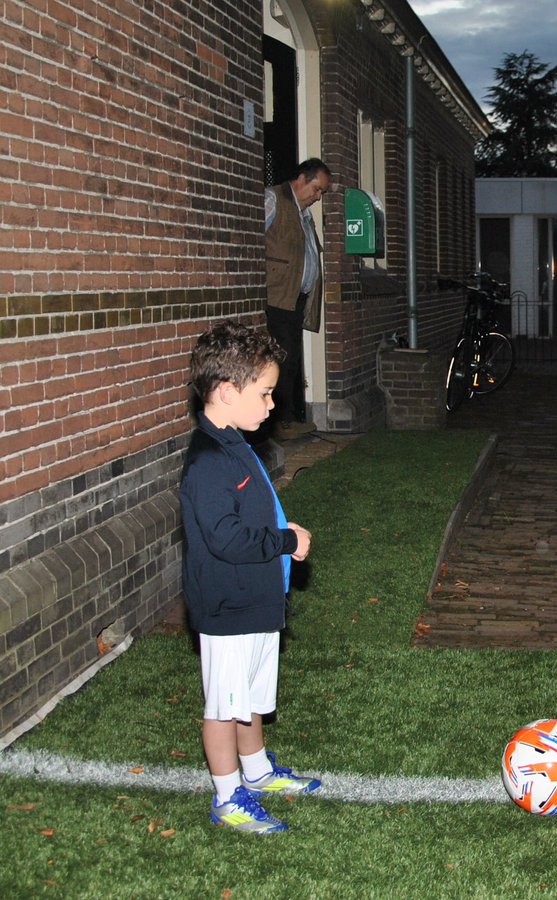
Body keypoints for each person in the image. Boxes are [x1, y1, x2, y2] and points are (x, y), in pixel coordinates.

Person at [180, 321, 321, 833]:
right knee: (225, 706)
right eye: (263, 394)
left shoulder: (235, 442)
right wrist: (284, 542)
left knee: (250, 700)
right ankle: (227, 796)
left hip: (257, 602)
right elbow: (227, 539)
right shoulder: (208, 462)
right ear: (225, 391)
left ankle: (256, 772)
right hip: (228, 609)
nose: (270, 405)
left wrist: (284, 531)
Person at [265, 158, 331, 440]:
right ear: (302, 178)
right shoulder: (273, 200)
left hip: (296, 299)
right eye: (316, 189)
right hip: (277, 296)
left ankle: (286, 420)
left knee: (290, 359)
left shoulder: (303, 212)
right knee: (282, 359)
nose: (318, 197)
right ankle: (279, 423)